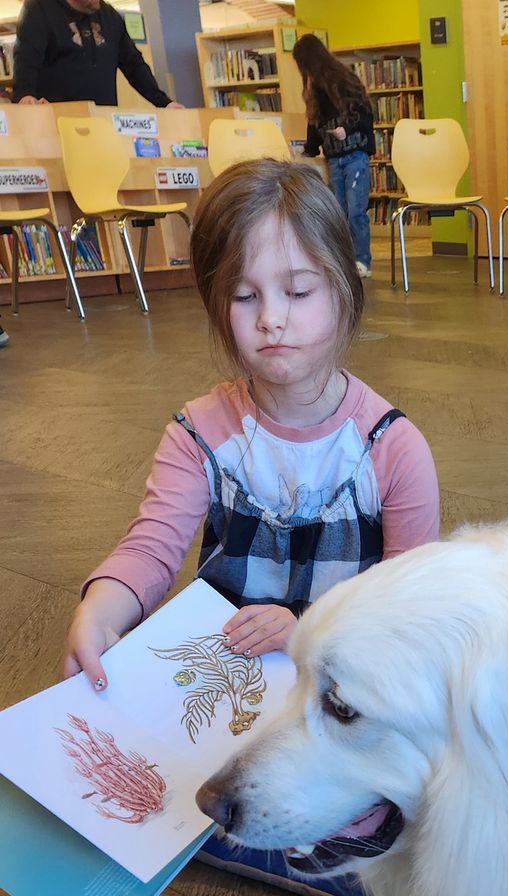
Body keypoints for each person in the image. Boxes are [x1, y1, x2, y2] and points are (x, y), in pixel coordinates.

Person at [63, 159, 439, 691]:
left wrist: (310, 632)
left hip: (342, 686)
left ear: (343, 291)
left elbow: (411, 609)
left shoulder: (393, 449)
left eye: (299, 292)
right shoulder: (199, 434)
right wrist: (100, 610)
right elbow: (151, 547)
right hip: (225, 687)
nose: (271, 318)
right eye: (245, 297)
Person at [294, 32, 376, 280]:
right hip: (334, 159)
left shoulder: (344, 80)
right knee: (338, 213)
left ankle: (362, 260)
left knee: (356, 212)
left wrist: (347, 130)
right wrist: (307, 150)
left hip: (355, 156)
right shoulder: (312, 91)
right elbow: (314, 124)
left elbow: (363, 113)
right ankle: (344, 261)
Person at [13, 0, 181, 108]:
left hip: (104, 123)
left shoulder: (109, 16)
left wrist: (164, 103)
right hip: (58, 123)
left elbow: (134, 65)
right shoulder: (40, 9)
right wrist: (24, 95)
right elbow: (26, 59)